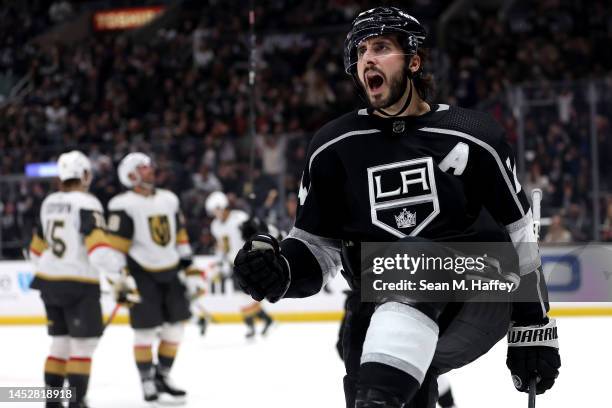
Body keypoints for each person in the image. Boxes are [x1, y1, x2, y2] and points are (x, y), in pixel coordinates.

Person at [233, 7, 560, 408]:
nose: (367, 58)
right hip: (381, 304)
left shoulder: (474, 135)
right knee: (363, 342)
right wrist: (281, 269)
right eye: (361, 52)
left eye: (382, 47)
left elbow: (521, 237)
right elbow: (318, 248)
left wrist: (533, 324)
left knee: (410, 259)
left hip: (477, 297)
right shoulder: (333, 147)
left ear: (414, 61)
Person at [105, 152, 205, 404]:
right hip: (141, 274)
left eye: (149, 166)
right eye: (144, 167)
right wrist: (119, 278)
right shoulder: (122, 204)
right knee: (145, 333)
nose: (150, 170)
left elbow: (179, 236)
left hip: (170, 271)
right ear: (131, 175)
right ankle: (147, 381)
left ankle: (163, 376)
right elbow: (116, 248)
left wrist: (190, 270)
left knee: (175, 331)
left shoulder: (169, 199)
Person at [29, 151, 116, 408]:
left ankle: (52, 403)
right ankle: (76, 403)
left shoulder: (48, 202)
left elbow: (35, 250)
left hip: (48, 280)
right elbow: (99, 251)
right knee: (82, 347)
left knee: (59, 344)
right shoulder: (88, 203)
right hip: (79, 284)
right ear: (85, 175)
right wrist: (120, 278)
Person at [205, 191, 275, 338]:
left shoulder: (239, 219)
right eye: (213, 211)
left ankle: (254, 325)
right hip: (234, 263)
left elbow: (254, 236)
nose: (215, 214)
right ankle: (264, 321)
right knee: (242, 296)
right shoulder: (215, 226)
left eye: (216, 210)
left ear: (223, 206)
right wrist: (220, 260)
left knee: (243, 296)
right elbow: (221, 246)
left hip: (248, 261)